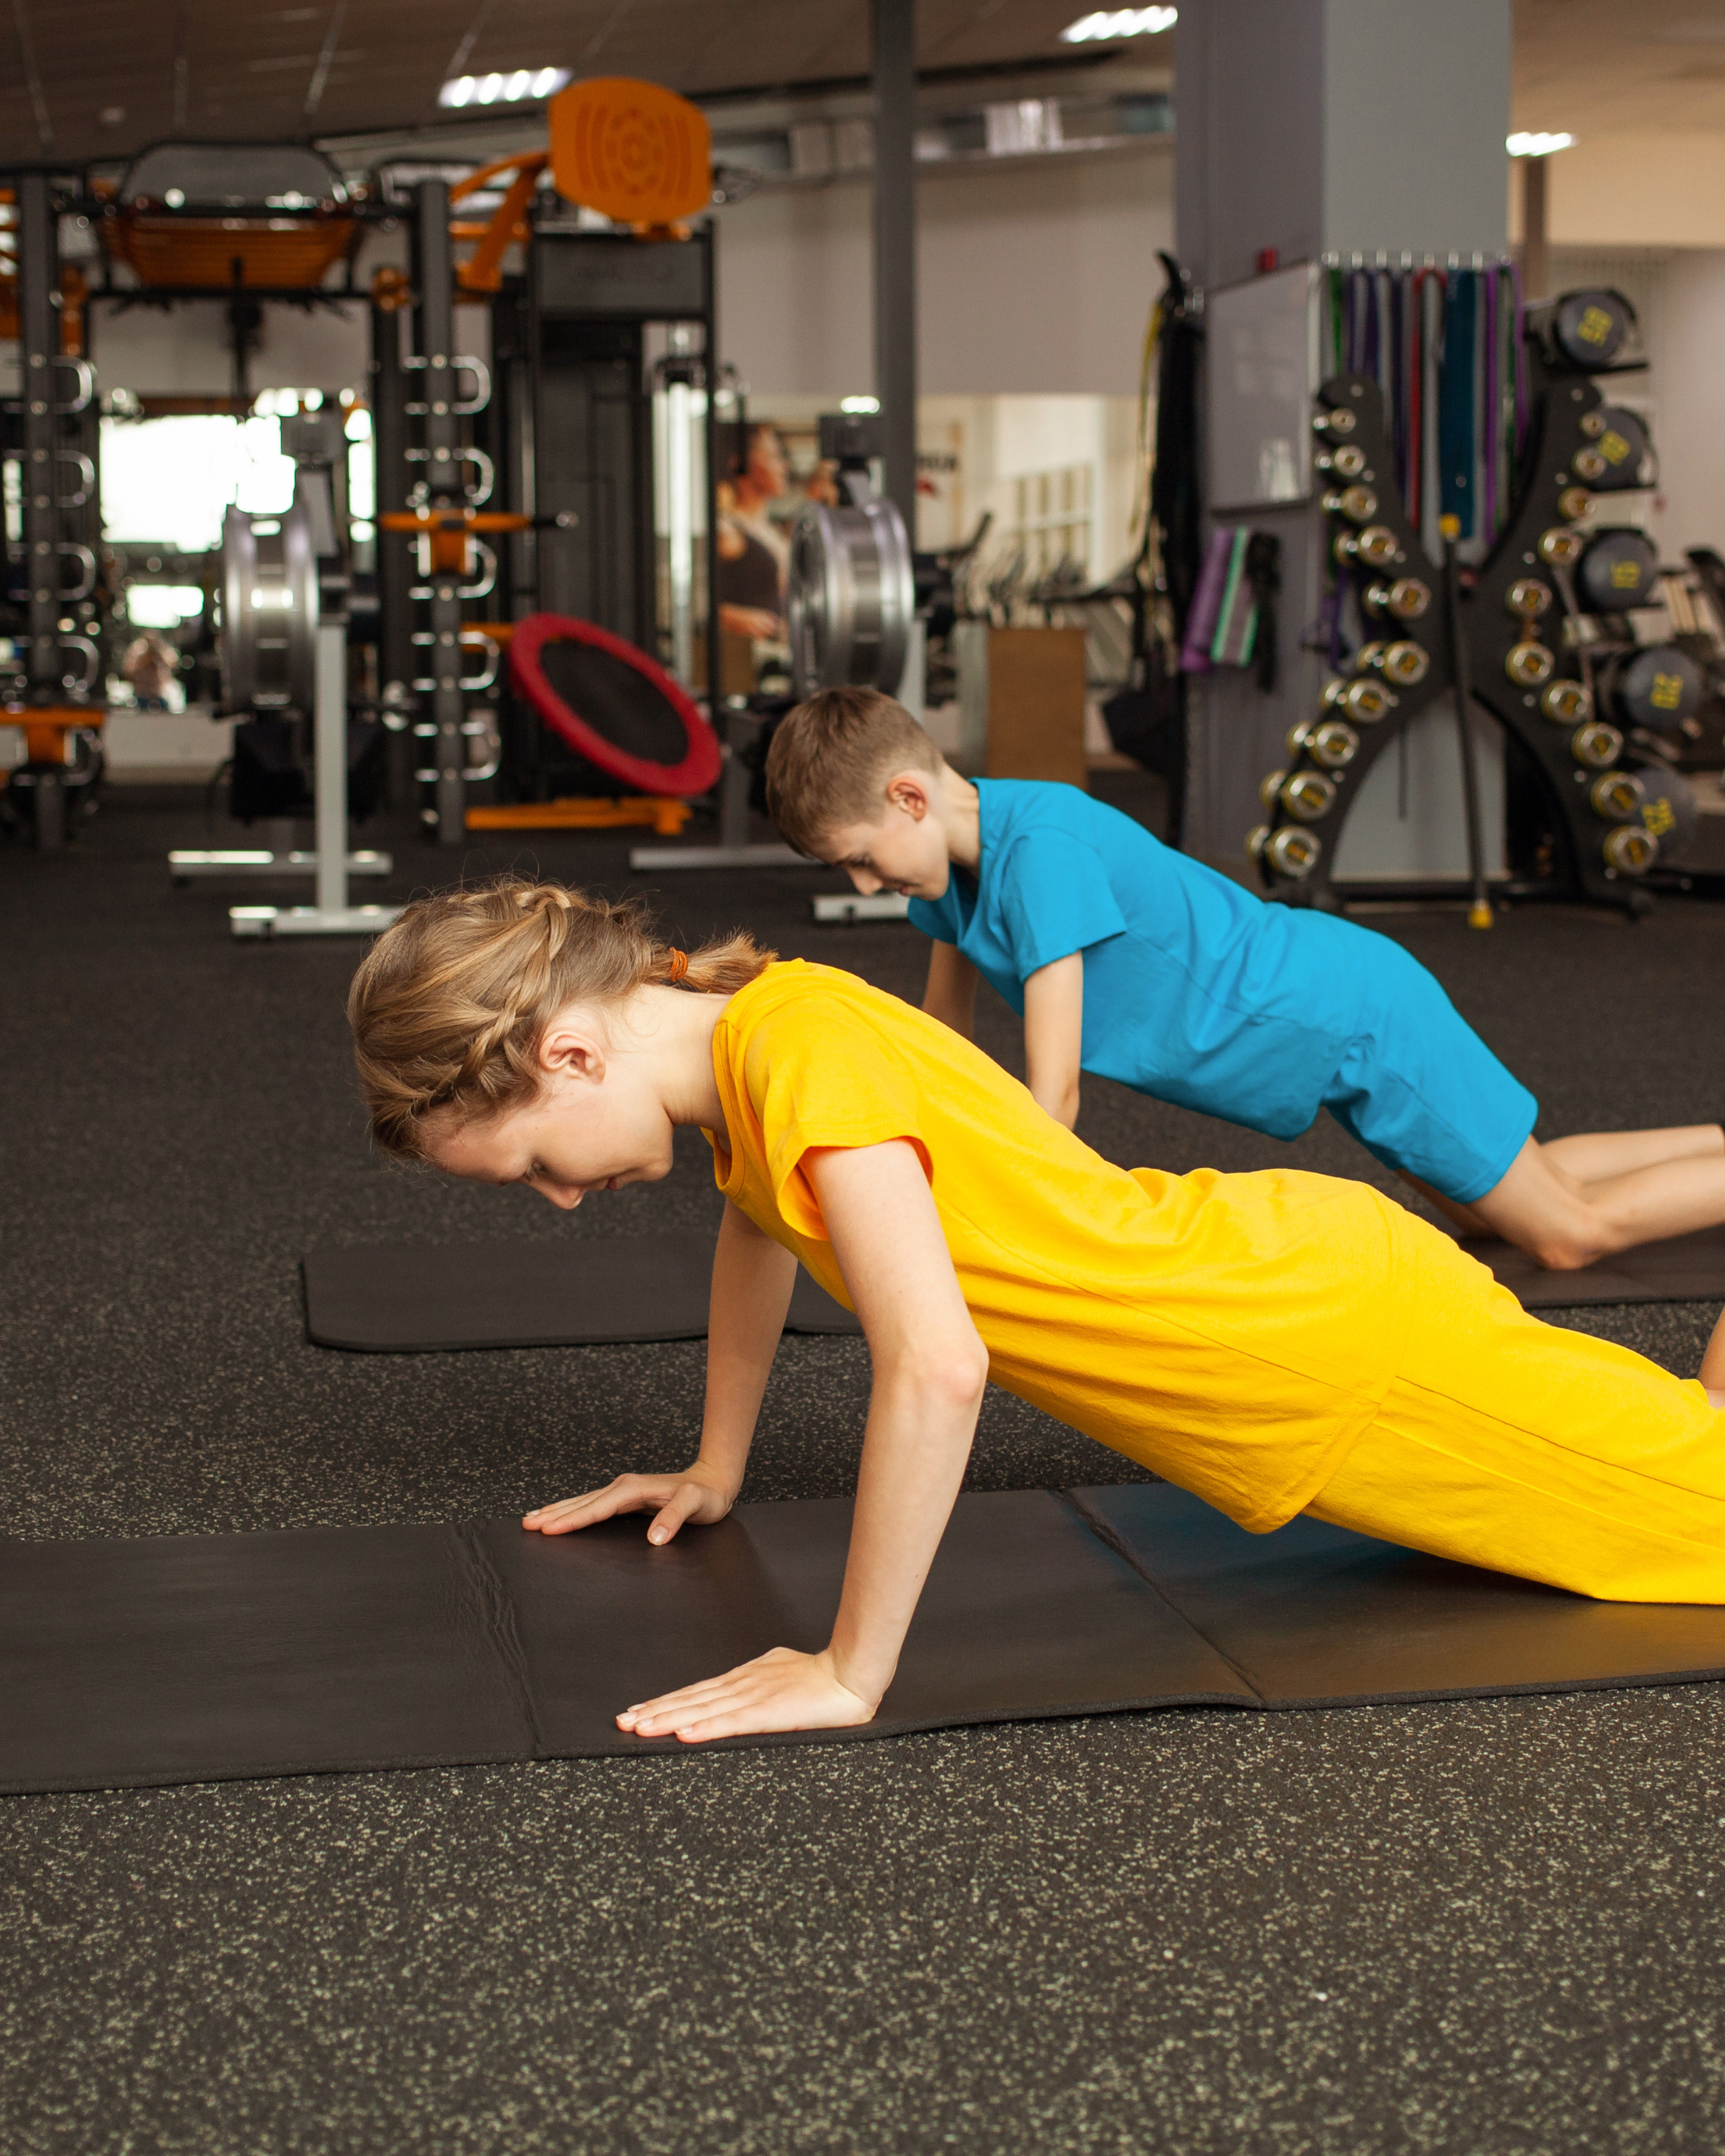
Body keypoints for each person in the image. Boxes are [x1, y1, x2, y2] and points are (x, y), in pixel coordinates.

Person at [347, 877, 1725, 1747]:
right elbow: (758, 1225)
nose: (562, 1201)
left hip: (1327, 1362)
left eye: (533, 1163)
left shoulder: (800, 1057)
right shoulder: (754, 1031)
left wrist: (848, 1669)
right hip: (1299, 1309)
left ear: (570, 1051)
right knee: (1682, 1453)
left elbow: (938, 1365)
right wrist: (718, 1466)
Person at [763, 686, 1725, 1274]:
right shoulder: (953, 879)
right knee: (1499, 1198)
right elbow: (945, 1040)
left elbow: (1050, 1098)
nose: (864, 886)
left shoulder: (1039, 851)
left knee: (1564, 1234)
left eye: (858, 858)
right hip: (1317, 1035)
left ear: (909, 796)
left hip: (1347, 1014)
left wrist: (958, 1212)